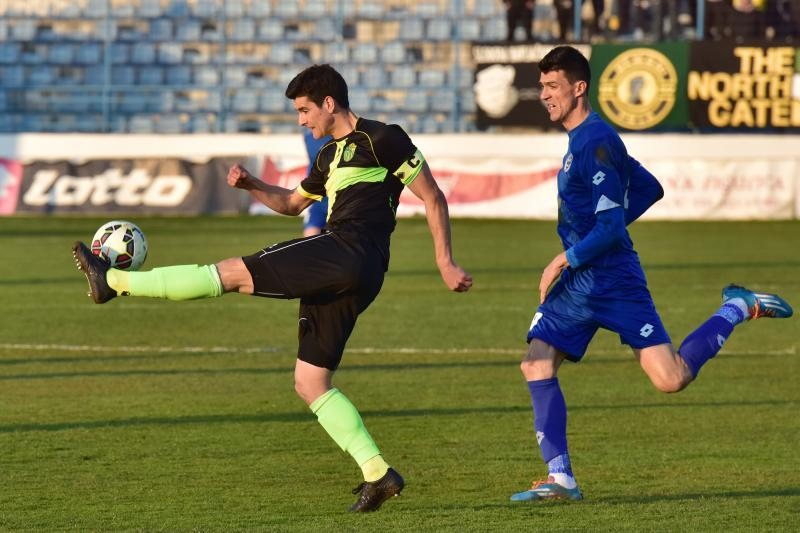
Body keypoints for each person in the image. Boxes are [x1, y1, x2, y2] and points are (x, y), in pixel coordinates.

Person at [72, 64, 473, 512]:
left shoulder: (383, 138)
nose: (302, 121)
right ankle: (378, 474)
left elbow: (433, 195)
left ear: (328, 103)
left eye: (304, 111)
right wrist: (252, 185)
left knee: (227, 273)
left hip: (347, 250)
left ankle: (113, 281)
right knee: (310, 381)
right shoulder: (326, 158)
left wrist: (445, 261)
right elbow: (292, 203)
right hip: (357, 271)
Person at [510, 45, 793, 503]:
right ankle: (560, 478)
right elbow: (650, 188)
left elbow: (608, 225)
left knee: (671, 378)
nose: (544, 94)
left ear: (579, 88)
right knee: (536, 363)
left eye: (552, 86)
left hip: (614, 278)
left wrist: (564, 258)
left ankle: (737, 306)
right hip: (582, 280)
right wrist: (588, 247)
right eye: (542, 86)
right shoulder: (580, 141)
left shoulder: (597, 142)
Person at [301, 128, 331, 236]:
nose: (302, 121)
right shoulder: (309, 138)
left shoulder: (344, 138)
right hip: (317, 199)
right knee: (309, 237)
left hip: (339, 200)